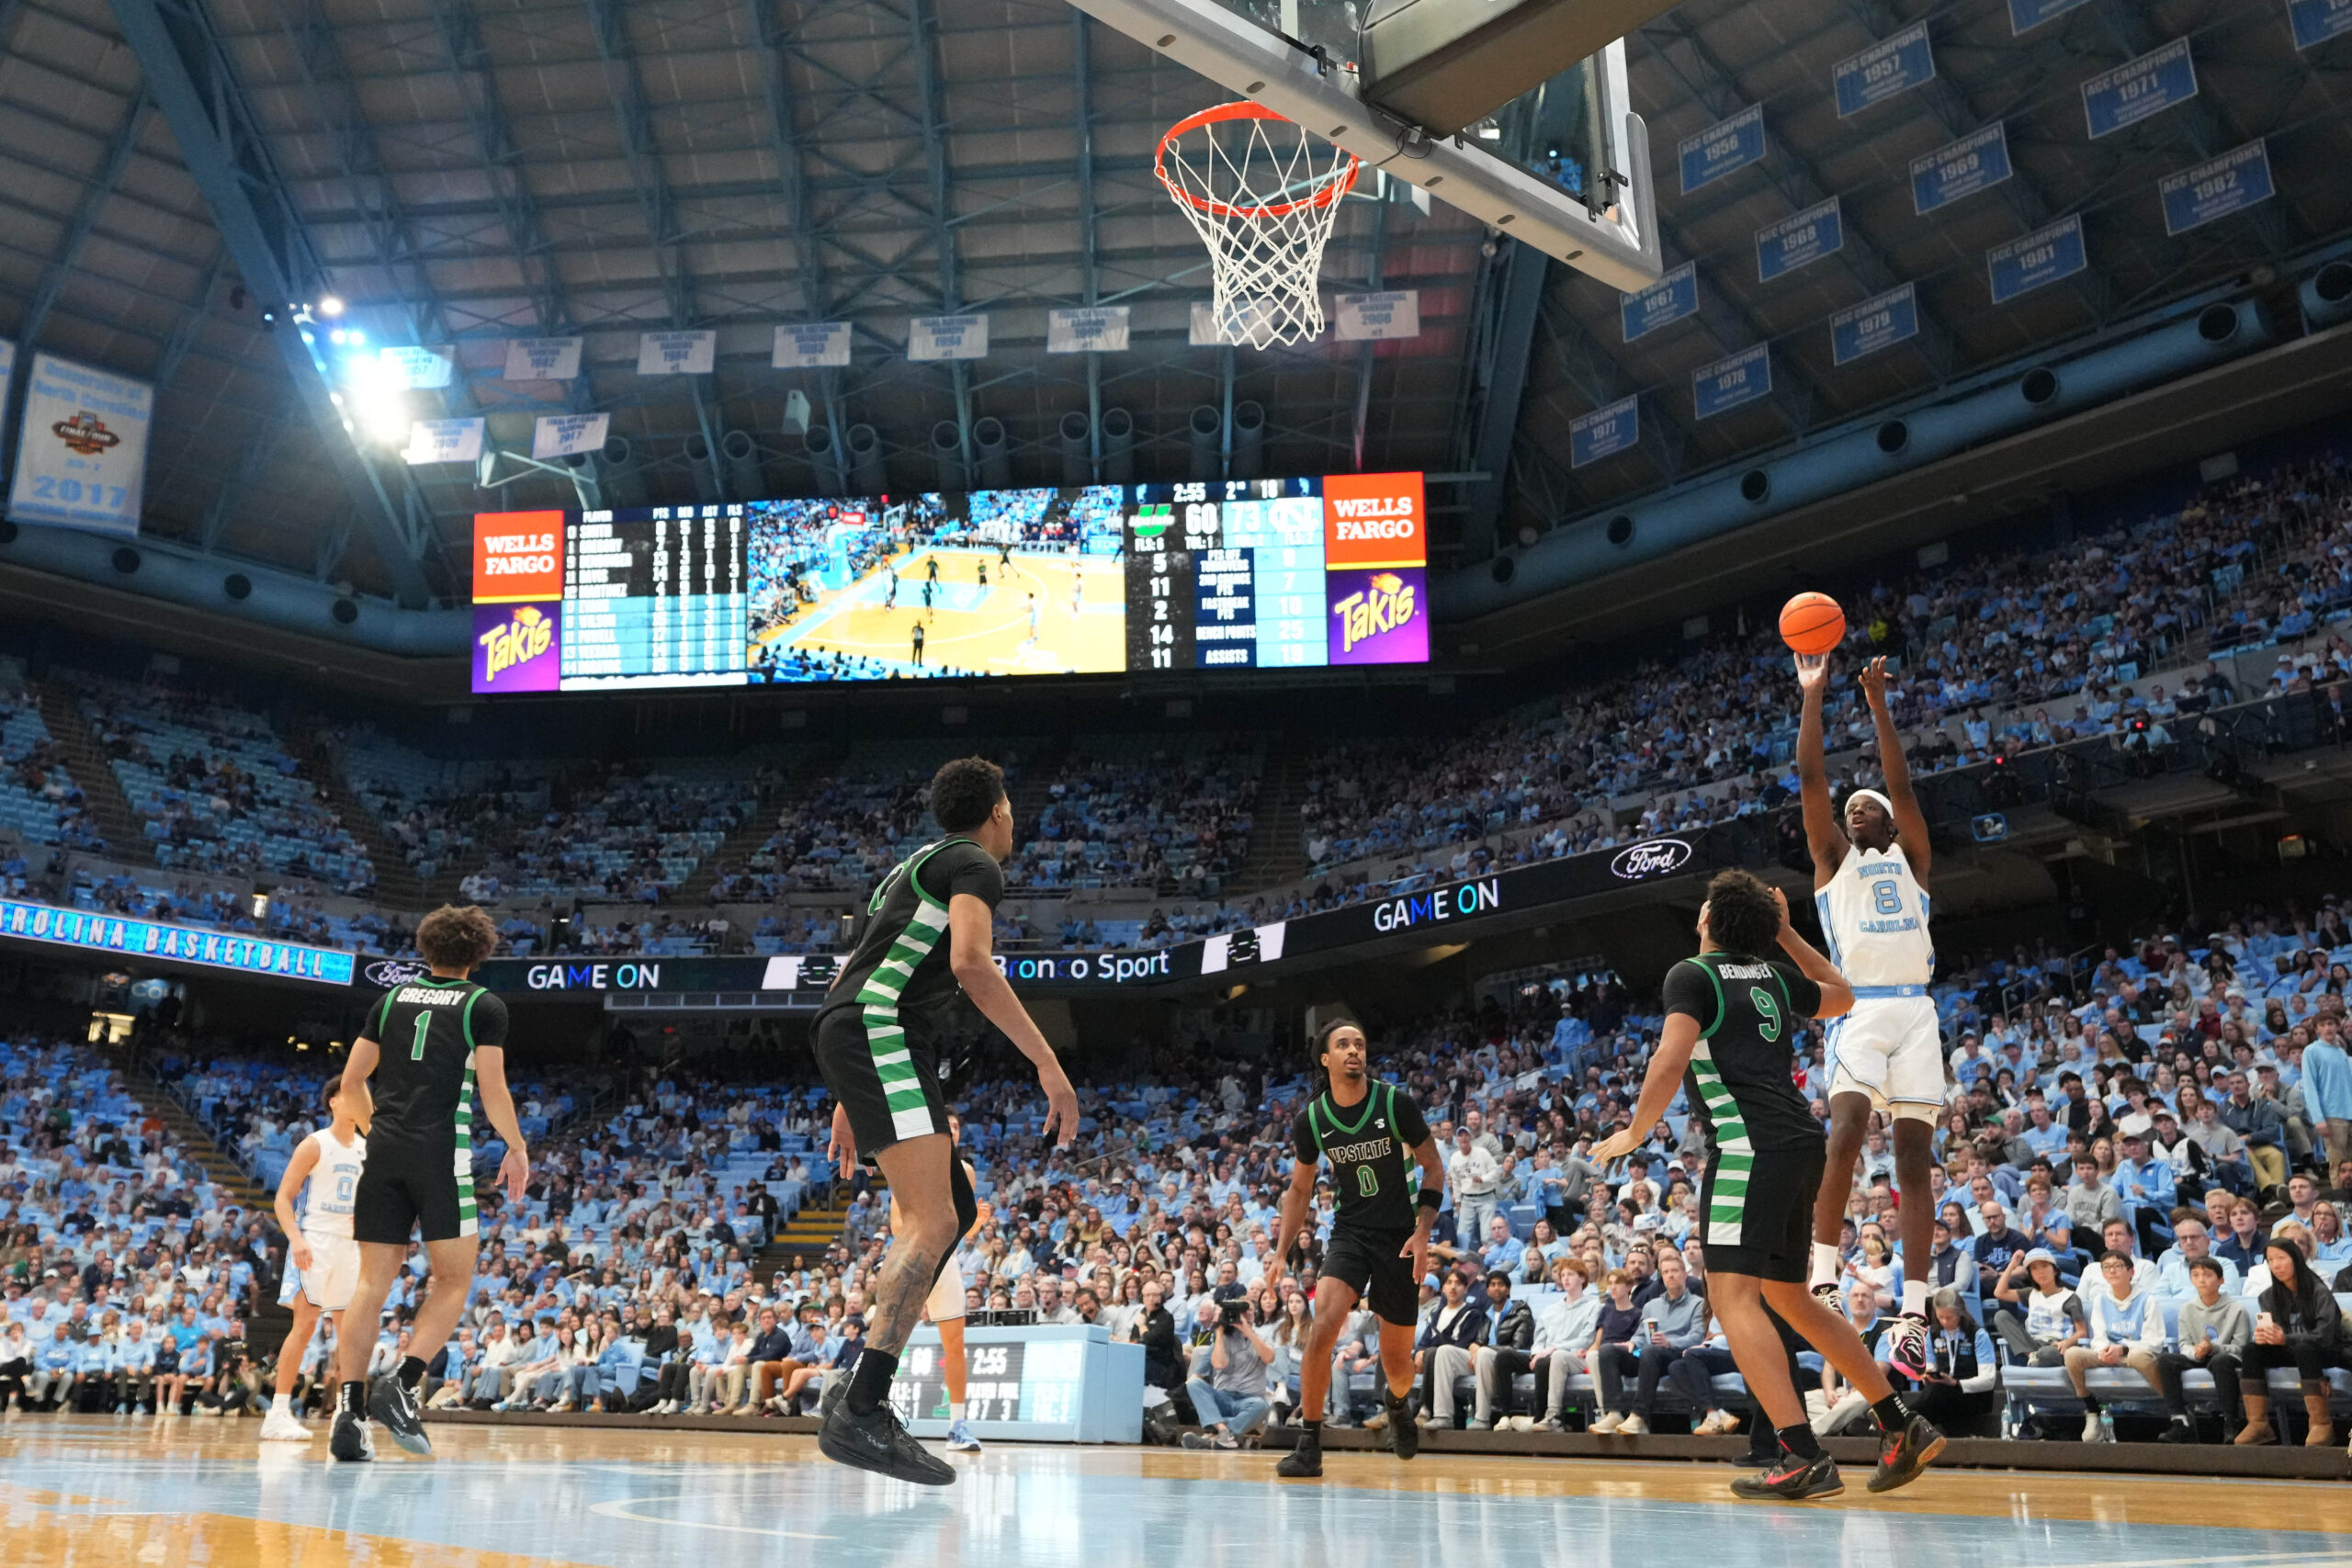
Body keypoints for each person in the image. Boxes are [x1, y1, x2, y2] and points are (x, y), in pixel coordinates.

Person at [1591, 868, 1943, 1499]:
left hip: (1748, 1147)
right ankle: (1899, 1422)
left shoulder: (1691, 975)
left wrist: (1636, 1130)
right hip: (1798, 1143)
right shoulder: (1774, 975)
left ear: (1708, 920)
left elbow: (1670, 1058)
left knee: (1731, 1300)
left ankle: (1801, 1451)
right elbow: (1842, 993)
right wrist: (1787, 933)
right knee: (1790, 1298)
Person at [813, 756, 1078, 1484]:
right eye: (1012, 806)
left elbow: (854, 971)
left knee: (952, 1208)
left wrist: (847, 1094)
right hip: (882, 1029)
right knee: (931, 1222)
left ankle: (852, 1388)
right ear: (997, 810)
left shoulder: (907, 868)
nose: (1014, 818)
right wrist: (1048, 1062)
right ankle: (863, 1405)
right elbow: (972, 962)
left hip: (861, 1027)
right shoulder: (975, 863)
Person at [330, 904, 528, 1463]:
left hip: (384, 1153)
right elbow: (492, 1089)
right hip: (441, 1155)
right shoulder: (483, 1006)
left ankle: (348, 1413)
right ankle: (403, 1381)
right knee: (453, 1279)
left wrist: (378, 1132)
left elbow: (350, 1083)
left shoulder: (389, 999)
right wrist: (516, 1146)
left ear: (426, 947)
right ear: (480, 952)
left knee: (370, 1286)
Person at [1796, 653, 1940, 1382]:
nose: (1856, 809)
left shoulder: (1913, 858)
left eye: (1868, 805)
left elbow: (1905, 784)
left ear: (1887, 817)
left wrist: (1879, 704)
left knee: (1914, 1162)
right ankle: (1822, 1276)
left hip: (1917, 1010)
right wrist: (1814, 697)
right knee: (1845, 1133)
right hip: (1859, 1010)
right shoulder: (1832, 862)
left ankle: (1914, 1316)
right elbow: (1812, 779)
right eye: (1851, 809)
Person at [1264, 1020, 1446, 1478]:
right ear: (1324, 1059)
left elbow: (1434, 1169)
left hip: (1400, 1237)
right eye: (1343, 1044)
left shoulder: (1394, 1103)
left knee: (1397, 1365)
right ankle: (1309, 1445)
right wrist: (1281, 1250)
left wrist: (1423, 1235)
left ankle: (1399, 1404)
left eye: (1360, 1044)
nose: (1354, 1051)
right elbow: (1300, 1190)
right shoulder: (1313, 1119)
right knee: (1322, 1327)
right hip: (1350, 1233)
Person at [263, 1080, 368, 1441]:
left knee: (349, 1332)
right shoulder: (315, 1143)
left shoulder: (370, 1149)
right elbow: (283, 1198)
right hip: (315, 1240)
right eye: (355, 1094)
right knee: (305, 1326)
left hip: (351, 1246)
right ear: (335, 1102)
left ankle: (345, 1410)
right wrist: (296, 1239)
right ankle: (277, 1412)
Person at [889, 1112, 984, 1452]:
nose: (954, 1131)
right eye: (949, 1126)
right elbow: (897, 1226)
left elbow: (960, 1230)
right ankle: (863, 1408)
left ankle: (958, 1426)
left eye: (958, 1126)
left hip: (947, 1261)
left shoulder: (966, 1173)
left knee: (955, 1344)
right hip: (914, 1258)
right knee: (889, 1340)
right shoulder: (908, 1166)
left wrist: (975, 1226)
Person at [2233, 1237, 2343, 1447]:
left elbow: (2326, 1336)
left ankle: (2321, 1423)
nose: (2276, 1265)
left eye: (2281, 1258)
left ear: (2296, 1260)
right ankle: (2258, 1424)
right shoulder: (2267, 1297)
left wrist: (2286, 1338)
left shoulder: (2319, 1291)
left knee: (2304, 1348)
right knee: (2251, 1350)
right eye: (2271, 1260)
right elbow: (2277, 1335)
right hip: (2292, 1349)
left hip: (2325, 1351)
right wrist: (2265, 1338)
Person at [2062, 1249, 2165, 1442]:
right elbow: (2098, 1336)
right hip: (2109, 1356)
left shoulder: (2147, 1300)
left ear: (2131, 1272)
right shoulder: (2101, 1300)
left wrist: (2123, 1349)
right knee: (2072, 1354)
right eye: (2107, 1267)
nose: (2112, 1271)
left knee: (2138, 1356)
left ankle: (2176, 1411)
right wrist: (2103, 1351)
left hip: (2134, 1355)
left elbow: (2154, 1342)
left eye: (2118, 1266)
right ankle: (2092, 1410)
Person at [2150, 1256, 2252, 1443]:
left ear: (2221, 1280)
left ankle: (2231, 1422)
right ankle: (2180, 1421)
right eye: (2195, 1275)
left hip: (2225, 1356)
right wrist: (2195, 1353)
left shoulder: (2237, 1309)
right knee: (2166, 1360)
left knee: (2220, 1361)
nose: (2201, 1280)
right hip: (2199, 1355)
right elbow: (2184, 1343)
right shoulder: (2187, 1308)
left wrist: (2214, 1347)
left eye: (2207, 1275)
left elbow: (2240, 1347)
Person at [1182, 1293, 1275, 1449]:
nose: (1244, 1314)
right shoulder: (1222, 1339)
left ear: (1255, 1313)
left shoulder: (1262, 1337)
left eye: (1247, 1310)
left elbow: (1269, 1358)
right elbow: (1219, 1364)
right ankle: (1223, 1432)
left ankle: (1215, 1434)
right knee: (1193, 1384)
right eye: (1240, 1311)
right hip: (1223, 1397)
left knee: (1261, 1406)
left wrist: (1247, 1330)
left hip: (1249, 1400)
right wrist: (1219, 1329)